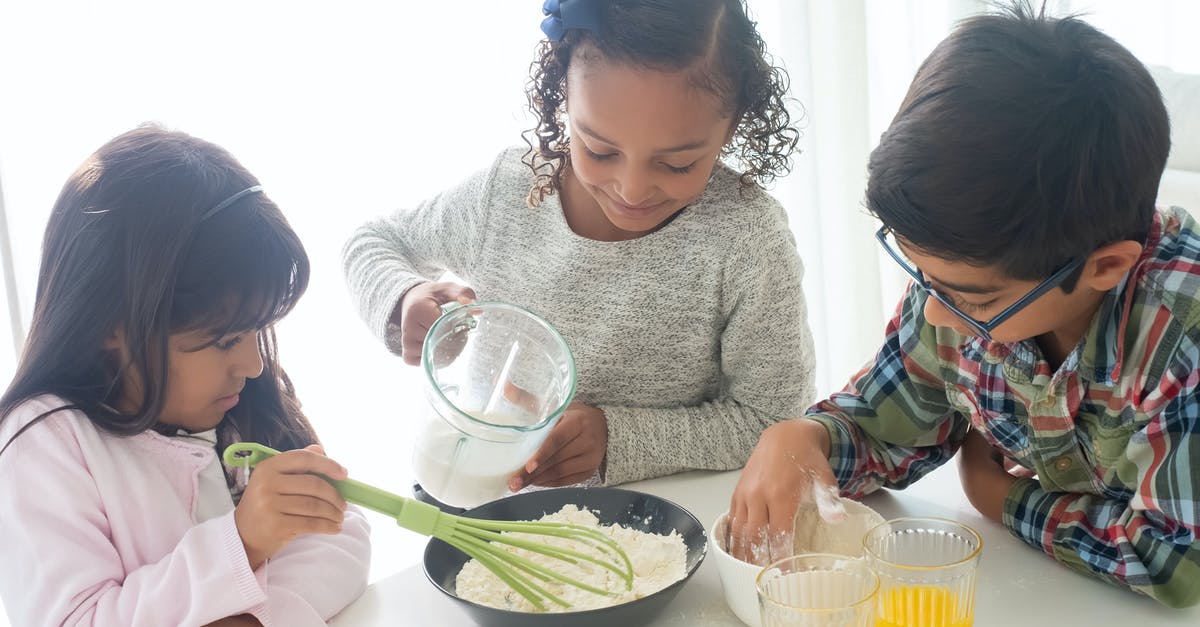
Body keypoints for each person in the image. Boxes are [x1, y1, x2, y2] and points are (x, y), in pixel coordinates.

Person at [729, 2, 1200, 608]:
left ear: (1103, 268)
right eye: (922, 275)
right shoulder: (965, 271)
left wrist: (998, 498)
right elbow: (889, 425)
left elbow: (1175, 561)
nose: (931, 313)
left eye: (967, 296)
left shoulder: (1179, 336)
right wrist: (806, 436)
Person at [343, 0, 816, 497]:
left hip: (650, 533)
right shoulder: (507, 193)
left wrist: (618, 437)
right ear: (562, 96)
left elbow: (775, 422)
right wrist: (404, 297)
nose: (631, 191)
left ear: (732, 126)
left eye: (676, 165)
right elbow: (373, 242)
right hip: (481, 504)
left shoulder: (746, 239)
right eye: (599, 150)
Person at [0, 126, 371, 625]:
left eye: (257, 331)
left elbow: (342, 528)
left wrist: (259, 617)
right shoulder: (43, 443)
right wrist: (242, 544)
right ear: (113, 323)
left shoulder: (242, 402)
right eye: (224, 340)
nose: (254, 364)